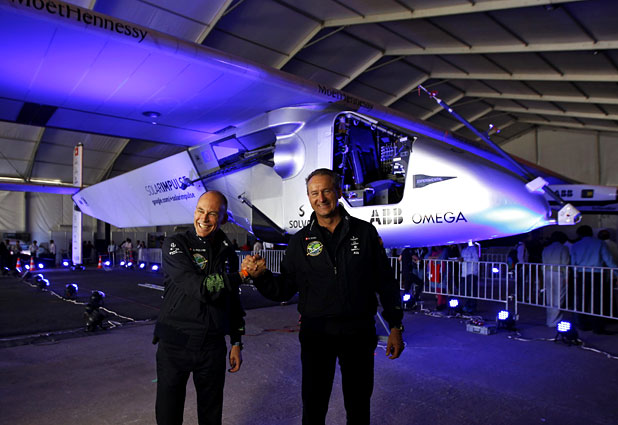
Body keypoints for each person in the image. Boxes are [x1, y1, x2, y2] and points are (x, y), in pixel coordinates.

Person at [242, 168, 404, 425]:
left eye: (326, 191)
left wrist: (395, 325)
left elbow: (386, 282)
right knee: (314, 407)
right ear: (308, 197)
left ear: (338, 192)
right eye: (314, 193)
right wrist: (261, 276)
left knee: (359, 406)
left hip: (358, 332)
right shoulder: (299, 242)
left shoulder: (365, 233)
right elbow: (284, 289)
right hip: (316, 335)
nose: (321, 198)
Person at [153, 190, 246, 425]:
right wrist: (242, 275)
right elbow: (200, 287)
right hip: (174, 344)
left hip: (212, 346)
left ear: (223, 218)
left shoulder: (227, 251)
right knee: (168, 415)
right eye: (200, 211)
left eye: (212, 213)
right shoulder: (176, 244)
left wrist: (236, 341)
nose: (203, 218)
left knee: (211, 415)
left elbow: (232, 300)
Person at [570, 225, 617, 334]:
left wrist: (575, 275)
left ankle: (583, 324)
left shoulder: (576, 245)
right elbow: (608, 260)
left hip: (582, 274)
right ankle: (598, 327)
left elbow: (573, 263)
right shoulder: (600, 243)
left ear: (579, 234)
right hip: (597, 274)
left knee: (582, 300)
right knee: (598, 301)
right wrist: (616, 273)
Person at [541, 231, 570, 327]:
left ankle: (549, 319)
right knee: (559, 297)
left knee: (549, 297)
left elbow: (543, 263)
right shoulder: (563, 248)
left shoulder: (546, 248)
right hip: (558, 273)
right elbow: (565, 264)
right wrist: (566, 277)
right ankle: (555, 320)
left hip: (547, 273)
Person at [459, 241, 480, 313]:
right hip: (464, 273)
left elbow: (476, 260)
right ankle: (466, 306)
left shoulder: (473, 248)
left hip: (471, 272)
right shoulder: (463, 250)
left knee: (472, 291)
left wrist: (464, 260)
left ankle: (472, 307)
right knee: (464, 291)